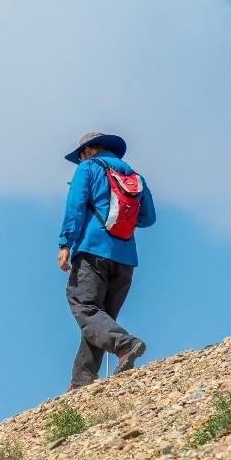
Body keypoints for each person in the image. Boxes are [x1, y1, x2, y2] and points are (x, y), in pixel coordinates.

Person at [57, 131, 156, 390]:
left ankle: (126, 344)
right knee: (101, 319)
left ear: (89, 151)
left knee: (84, 306)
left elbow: (76, 207)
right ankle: (82, 380)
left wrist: (66, 243)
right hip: (125, 259)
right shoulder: (135, 176)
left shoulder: (88, 168)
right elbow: (148, 218)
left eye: (80, 156)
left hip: (92, 250)